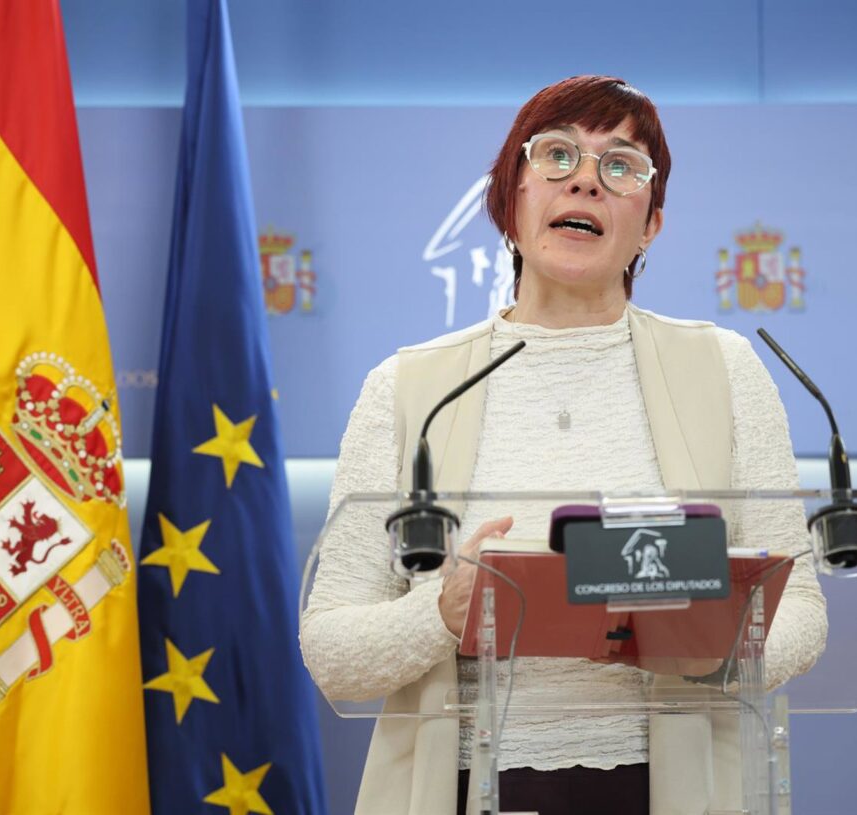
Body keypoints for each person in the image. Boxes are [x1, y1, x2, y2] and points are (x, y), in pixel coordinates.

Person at [300, 75, 827, 815]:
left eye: (621, 166)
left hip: (672, 789)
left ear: (651, 224)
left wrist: (719, 653)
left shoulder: (724, 370)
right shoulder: (408, 387)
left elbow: (800, 607)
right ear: (509, 200)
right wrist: (442, 612)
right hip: (465, 788)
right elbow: (332, 649)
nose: (585, 179)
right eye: (556, 156)